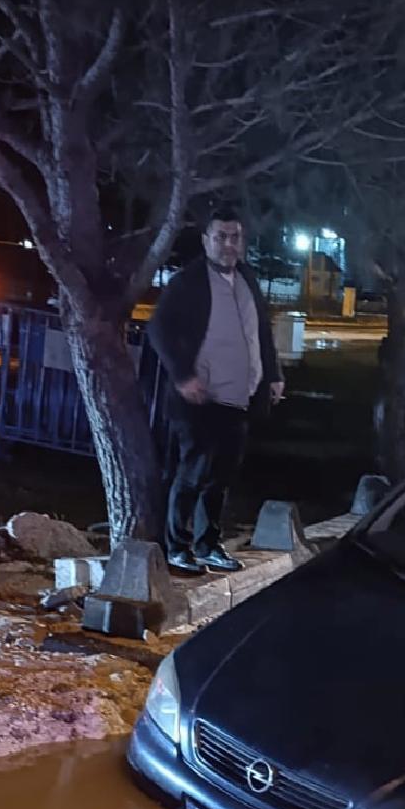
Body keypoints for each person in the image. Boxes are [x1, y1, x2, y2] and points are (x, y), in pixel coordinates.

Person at [144, 207, 284, 575]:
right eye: (220, 236)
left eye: (235, 236)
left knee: (221, 478)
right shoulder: (188, 282)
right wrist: (183, 375)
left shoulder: (247, 279)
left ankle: (208, 544)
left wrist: (273, 374)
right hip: (199, 399)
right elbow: (158, 329)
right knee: (192, 473)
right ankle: (177, 546)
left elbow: (262, 332)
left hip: (239, 399)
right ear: (206, 240)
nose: (228, 244)